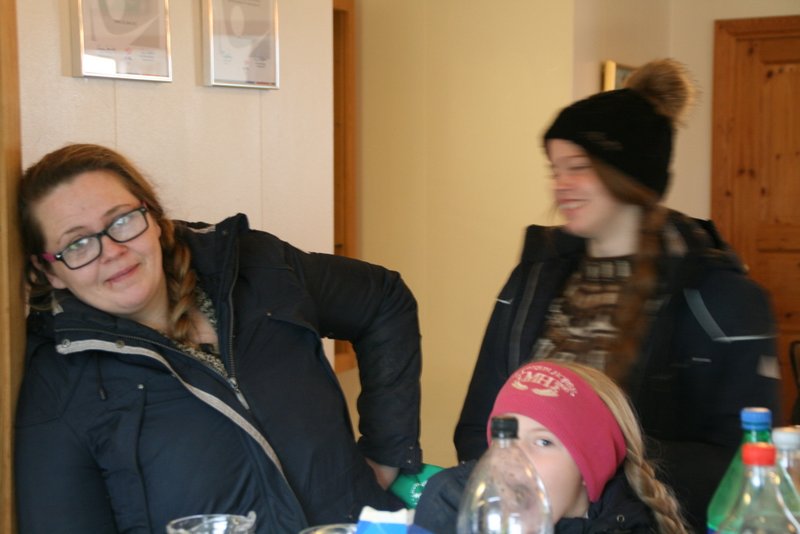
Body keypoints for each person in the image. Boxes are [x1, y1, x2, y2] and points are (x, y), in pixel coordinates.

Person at [14, 143, 423, 533]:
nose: (112, 251)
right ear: (48, 270)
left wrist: (388, 452)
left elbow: (383, 300)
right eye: (78, 244)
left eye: (122, 220)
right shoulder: (58, 386)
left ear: (153, 216)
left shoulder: (255, 268)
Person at [454, 58, 781, 531]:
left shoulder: (720, 298)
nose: (560, 186)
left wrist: (598, 478)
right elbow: (478, 423)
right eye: (555, 169)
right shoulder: (532, 280)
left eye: (578, 168)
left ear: (628, 176)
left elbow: (741, 463)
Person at [415, 360, 689, 533]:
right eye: (505, 437)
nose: (513, 457)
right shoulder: (451, 502)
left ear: (590, 468)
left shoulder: (629, 525)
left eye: (543, 441)